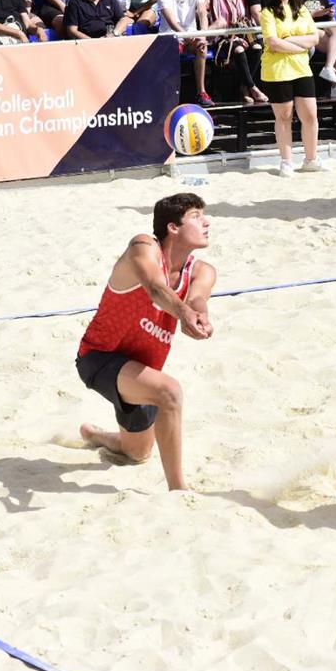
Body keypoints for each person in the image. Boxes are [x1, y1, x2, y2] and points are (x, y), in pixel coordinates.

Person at [77, 193, 216, 492]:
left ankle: (99, 436)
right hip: (99, 357)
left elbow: (197, 298)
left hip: (141, 370)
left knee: (137, 452)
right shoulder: (143, 247)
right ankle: (178, 490)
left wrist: (199, 316)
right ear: (172, 228)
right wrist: (183, 313)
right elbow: (155, 288)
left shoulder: (203, 270)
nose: (206, 222)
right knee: (170, 392)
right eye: (196, 216)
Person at [260, 0, 327, 176]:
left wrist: (288, 41)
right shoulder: (268, 12)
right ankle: (286, 161)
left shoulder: (302, 9)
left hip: (301, 68)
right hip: (277, 70)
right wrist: (299, 46)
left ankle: (311, 159)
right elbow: (273, 42)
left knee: (310, 116)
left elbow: (314, 38)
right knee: (284, 116)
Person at [160, 0, 214, 107]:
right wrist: (186, 35)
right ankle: (169, 96)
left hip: (190, 34)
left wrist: (203, 35)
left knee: (202, 48)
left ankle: (201, 92)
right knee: (174, 50)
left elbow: (202, 12)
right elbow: (172, 22)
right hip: (171, 36)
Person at [210, 0, 266, 105]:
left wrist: (243, 34)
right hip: (224, 36)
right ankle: (252, 87)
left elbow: (247, 17)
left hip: (242, 33)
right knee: (239, 49)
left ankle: (244, 87)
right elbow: (218, 21)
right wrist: (234, 35)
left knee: (257, 48)